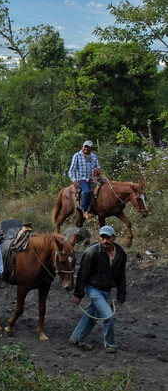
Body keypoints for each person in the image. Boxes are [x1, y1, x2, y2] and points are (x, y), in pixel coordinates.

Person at [69, 225, 126, 353]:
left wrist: (121, 295)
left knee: (92, 315)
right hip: (93, 288)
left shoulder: (121, 254)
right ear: (100, 237)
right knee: (109, 316)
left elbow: (121, 275)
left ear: (114, 238)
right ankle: (110, 344)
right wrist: (78, 294)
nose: (105, 240)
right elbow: (83, 274)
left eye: (108, 237)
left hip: (107, 290)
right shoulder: (92, 252)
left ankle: (76, 339)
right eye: (102, 237)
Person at [68, 140, 101, 219]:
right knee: (86, 191)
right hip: (82, 179)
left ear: (91, 149)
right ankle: (84, 210)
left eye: (88, 147)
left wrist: (98, 170)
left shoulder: (93, 156)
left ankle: (100, 207)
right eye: (85, 146)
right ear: (83, 147)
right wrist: (74, 180)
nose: (86, 149)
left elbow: (98, 166)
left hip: (93, 179)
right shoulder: (77, 155)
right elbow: (72, 170)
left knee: (105, 186)